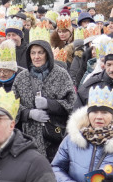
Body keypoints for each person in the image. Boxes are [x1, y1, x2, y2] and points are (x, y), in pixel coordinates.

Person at [14, 26, 78, 161]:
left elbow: (73, 104)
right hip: (28, 139)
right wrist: (28, 113)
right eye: (33, 53)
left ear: (48, 53)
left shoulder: (61, 75)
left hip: (55, 138)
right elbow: (11, 107)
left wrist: (50, 104)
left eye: (40, 53)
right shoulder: (21, 77)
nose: (36, 57)